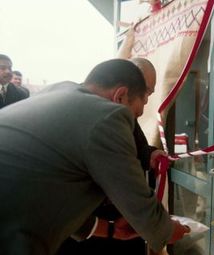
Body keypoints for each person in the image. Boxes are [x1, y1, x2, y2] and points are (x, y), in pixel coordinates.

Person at [0, 58, 190, 255]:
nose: (132, 124)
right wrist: (167, 229)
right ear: (121, 96)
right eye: (134, 114)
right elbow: (138, 202)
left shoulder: (58, 91)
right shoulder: (108, 117)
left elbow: (47, 198)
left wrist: (109, 229)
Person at [57, 58, 166, 255]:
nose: (147, 101)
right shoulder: (101, 120)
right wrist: (163, 229)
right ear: (123, 92)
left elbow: (137, 145)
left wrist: (150, 154)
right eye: (145, 92)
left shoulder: (69, 97)